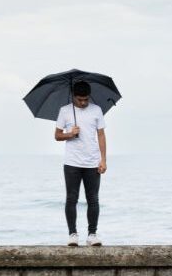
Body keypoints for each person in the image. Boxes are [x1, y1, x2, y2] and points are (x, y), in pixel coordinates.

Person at [55, 81, 107, 247]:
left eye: (85, 99)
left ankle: (92, 234)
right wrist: (70, 134)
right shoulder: (65, 111)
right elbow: (57, 136)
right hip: (72, 162)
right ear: (73, 96)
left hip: (92, 162)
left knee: (93, 199)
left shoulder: (97, 110)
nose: (83, 103)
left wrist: (103, 159)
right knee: (71, 198)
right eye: (79, 100)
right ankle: (73, 234)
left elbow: (101, 135)